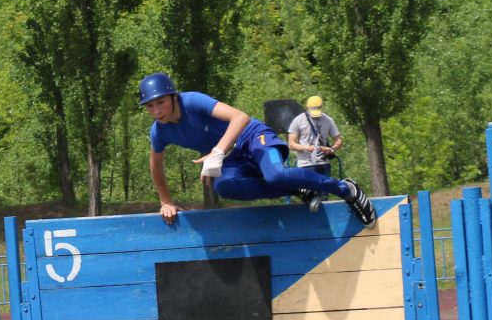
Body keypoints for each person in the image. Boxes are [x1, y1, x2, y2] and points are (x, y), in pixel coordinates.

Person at [139, 73, 375, 227]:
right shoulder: (159, 131)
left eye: (160, 102)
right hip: (233, 159)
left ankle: (346, 189)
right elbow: (156, 164)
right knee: (223, 186)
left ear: (173, 97)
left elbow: (240, 117)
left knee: (277, 175)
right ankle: (297, 188)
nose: (156, 110)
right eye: (150, 106)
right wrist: (166, 201)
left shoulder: (192, 101)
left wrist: (218, 151)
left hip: (255, 137)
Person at [287, 95, 343, 177]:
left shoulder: (328, 120)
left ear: (321, 107)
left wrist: (331, 149)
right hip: (305, 164)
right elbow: (291, 144)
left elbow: (338, 139)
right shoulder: (298, 120)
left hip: (324, 164)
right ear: (307, 107)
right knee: (308, 189)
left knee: (325, 189)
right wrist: (307, 148)